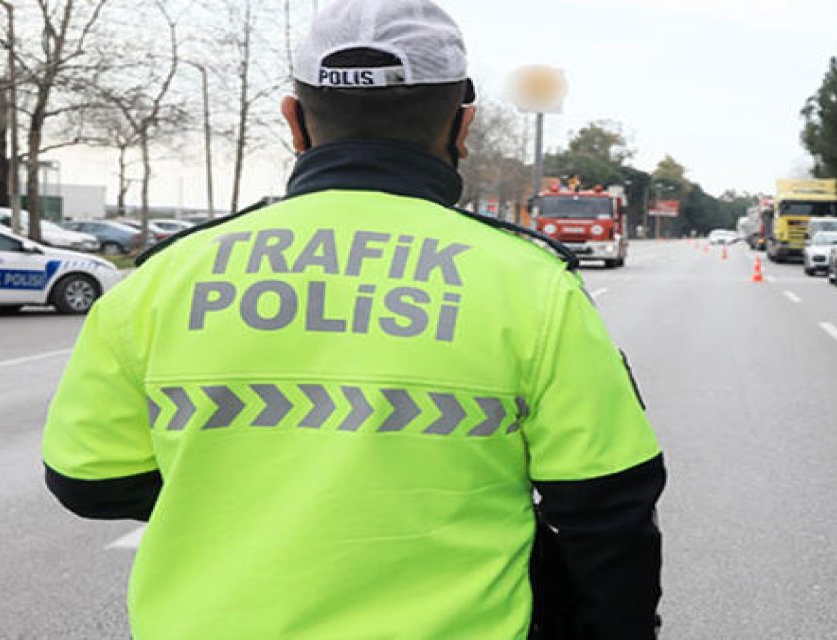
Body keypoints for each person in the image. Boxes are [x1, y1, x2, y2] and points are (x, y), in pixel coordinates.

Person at [40, 1, 666, 638]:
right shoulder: (531, 284)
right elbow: (609, 511)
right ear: (463, 123)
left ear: (294, 120)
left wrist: (242, 488)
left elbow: (89, 480)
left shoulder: (163, 279)